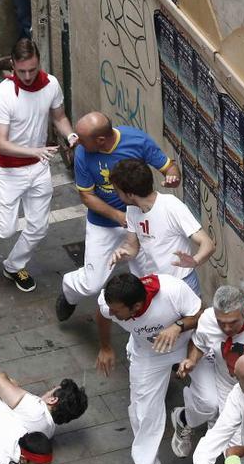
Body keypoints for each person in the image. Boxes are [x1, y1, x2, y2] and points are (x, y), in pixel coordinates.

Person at [0, 38, 76, 292]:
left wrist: (71, 136)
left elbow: (59, 117)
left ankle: (13, 266)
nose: (28, 76)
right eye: (22, 71)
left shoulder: (51, 85)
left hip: (39, 167)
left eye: (32, 69)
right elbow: (1, 143)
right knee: (4, 229)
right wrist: (35, 151)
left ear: (39, 62)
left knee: (39, 228)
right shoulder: (4, 93)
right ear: (13, 65)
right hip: (9, 171)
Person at [57, 112, 180, 321]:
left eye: (82, 139)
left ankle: (146, 322)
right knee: (91, 283)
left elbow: (170, 167)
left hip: (139, 222)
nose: (76, 142)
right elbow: (87, 196)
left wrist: (173, 177)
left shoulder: (137, 140)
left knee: (146, 278)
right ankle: (69, 293)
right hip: (103, 224)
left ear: (100, 140)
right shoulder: (82, 153)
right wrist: (120, 217)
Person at [94, 272, 203, 464]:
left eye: (117, 311)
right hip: (148, 355)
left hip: (187, 347)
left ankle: (185, 418)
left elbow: (200, 313)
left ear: (136, 306)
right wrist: (105, 347)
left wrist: (177, 327)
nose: (112, 313)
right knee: (143, 415)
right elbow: (102, 314)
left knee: (211, 400)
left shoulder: (172, 290)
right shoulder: (109, 304)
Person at [177, 285, 244, 436]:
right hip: (227, 385)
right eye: (221, 322)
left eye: (233, 322)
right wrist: (192, 360)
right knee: (231, 436)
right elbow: (199, 343)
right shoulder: (208, 319)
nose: (227, 328)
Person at [109, 158, 215, 294]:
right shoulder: (132, 210)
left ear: (130, 194)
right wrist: (122, 253)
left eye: (117, 191)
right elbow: (132, 248)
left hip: (182, 283)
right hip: (155, 284)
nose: (116, 195)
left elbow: (208, 244)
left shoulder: (171, 206)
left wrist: (195, 260)